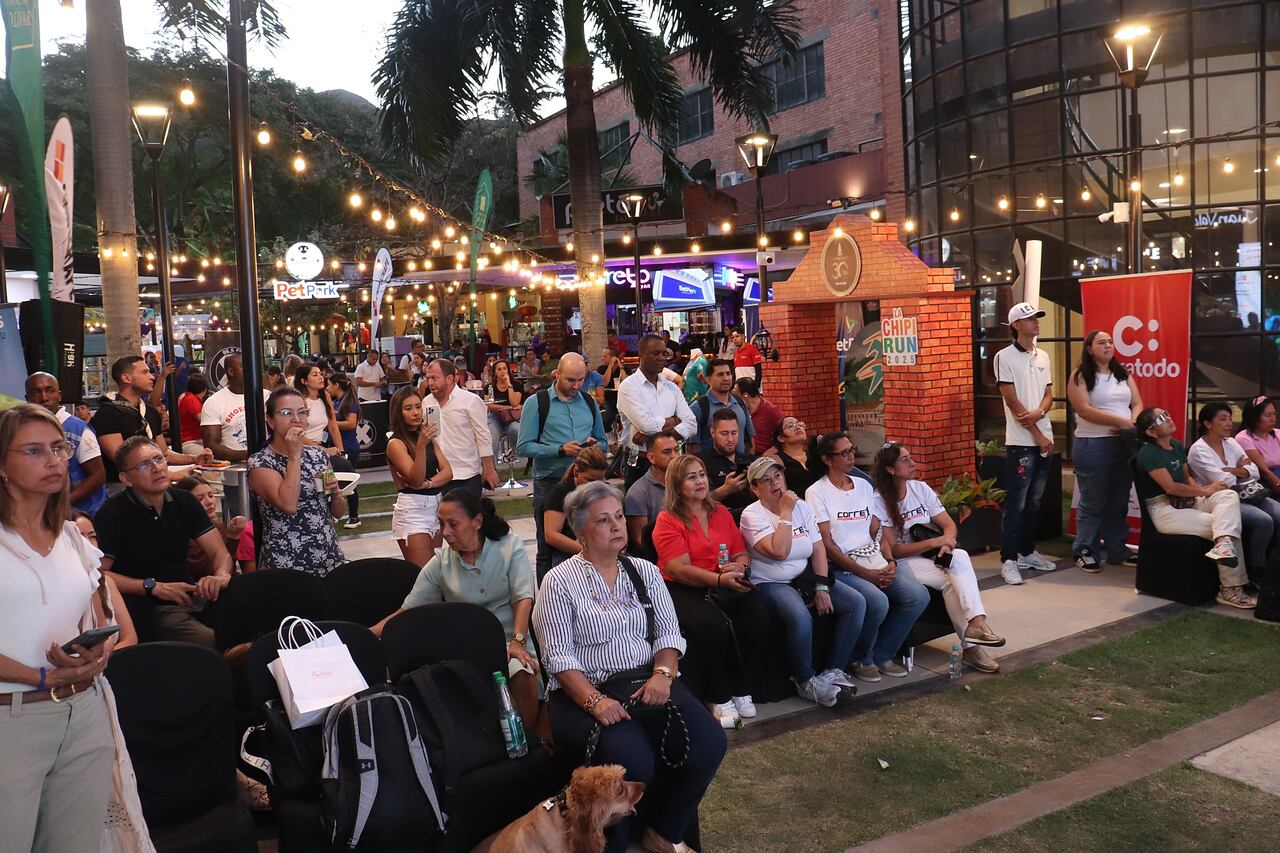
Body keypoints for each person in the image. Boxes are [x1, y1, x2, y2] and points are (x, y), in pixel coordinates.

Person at [533, 481, 724, 853]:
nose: (617, 525)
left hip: (647, 682)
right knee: (633, 761)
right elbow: (557, 657)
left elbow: (669, 635)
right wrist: (595, 702)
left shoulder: (643, 571)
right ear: (580, 531)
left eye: (619, 516)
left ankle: (664, 831)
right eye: (604, 520)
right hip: (587, 692)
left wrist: (663, 675)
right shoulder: (558, 582)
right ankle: (612, 845)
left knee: (710, 743)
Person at [0, 404, 118, 853]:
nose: (54, 461)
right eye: (34, 450)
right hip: (11, 716)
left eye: (58, 448)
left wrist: (97, 654)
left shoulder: (72, 537)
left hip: (83, 711)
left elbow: (97, 618)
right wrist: (40, 676)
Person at [373, 489, 541, 731]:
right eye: (441, 524)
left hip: (513, 640)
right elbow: (406, 612)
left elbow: (523, 597)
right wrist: (367, 634)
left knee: (521, 671)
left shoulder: (509, 547)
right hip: (468, 650)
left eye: (453, 524)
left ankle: (528, 740)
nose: (445, 533)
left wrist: (517, 641)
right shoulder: (441, 564)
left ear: (477, 522)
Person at [653, 454, 768, 729]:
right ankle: (717, 695)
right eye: (691, 477)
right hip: (680, 586)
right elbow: (679, 569)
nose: (700, 481)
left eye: (702, 474)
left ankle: (741, 685)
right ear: (677, 484)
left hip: (723, 581)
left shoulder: (721, 512)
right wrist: (719, 580)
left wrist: (740, 568)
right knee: (712, 625)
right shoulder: (667, 520)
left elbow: (741, 551)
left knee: (757, 614)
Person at [871, 443, 1006, 673]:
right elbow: (893, 550)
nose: (913, 463)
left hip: (931, 556)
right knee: (951, 580)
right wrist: (936, 542)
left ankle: (976, 627)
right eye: (905, 460)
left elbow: (949, 526)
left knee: (959, 558)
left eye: (910, 457)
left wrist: (948, 542)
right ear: (890, 469)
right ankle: (974, 642)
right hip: (903, 562)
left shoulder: (920, 489)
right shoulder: (878, 501)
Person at [739, 455, 862, 706]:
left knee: (856, 603)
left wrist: (821, 585)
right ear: (754, 488)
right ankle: (805, 680)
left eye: (778, 476)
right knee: (799, 615)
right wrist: (786, 512)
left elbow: (818, 549)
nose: (775, 483)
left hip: (804, 577)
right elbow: (779, 551)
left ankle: (833, 670)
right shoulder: (752, 516)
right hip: (769, 582)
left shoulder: (803, 507)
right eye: (766, 480)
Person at [807, 432, 930, 682]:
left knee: (918, 596)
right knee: (877, 600)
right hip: (842, 565)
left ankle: (881, 653)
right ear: (827, 460)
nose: (851, 456)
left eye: (852, 449)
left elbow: (877, 531)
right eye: (844, 453)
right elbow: (826, 544)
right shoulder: (816, 492)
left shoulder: (863, 486)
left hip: (873, 557)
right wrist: (865, 573)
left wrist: (890, 562)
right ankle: (861, 659)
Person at [95, 436, 234, 649]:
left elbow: (219, 552)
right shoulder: (113, 513)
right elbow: (99, 574)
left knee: (246, 614)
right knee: (209, 639)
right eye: (144, 465)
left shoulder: (183, 500)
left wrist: (220, 575)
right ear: (126, 478)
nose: (157, 468)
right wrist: (152, 587)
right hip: (146, 605)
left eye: (159, 459)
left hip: (189, 594)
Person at [1133, 407, 1255, 609]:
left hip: (1188, 500)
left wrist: (1200, 490)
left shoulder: (1177, 445)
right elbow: (1171, 487)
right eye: (1162, 418)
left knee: (1228, 495)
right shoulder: (1149, 454)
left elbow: (1185, 476)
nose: (1169, 418)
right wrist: (1206, 491)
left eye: (1167, 413)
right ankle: (1230, 589)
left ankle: (1223, 545)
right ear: (1151, 432)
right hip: (1165, 509)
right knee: (1225, 526)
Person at [516, 353, 608, 578]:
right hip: (550, 480)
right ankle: (548, 602)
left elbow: (603, 440)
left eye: (581, 380)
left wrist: (595, 446)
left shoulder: (588, 401)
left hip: (584, 483)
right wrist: (559, 449)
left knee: (590, 537)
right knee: (547, 548)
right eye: (570, 380)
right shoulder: (538, 402)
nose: (576, 385)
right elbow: (523, 446)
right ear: (557, 374)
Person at [248, 388, 347, 578]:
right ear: (270, 421)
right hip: (287, 562)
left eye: (302, 412)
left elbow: (337, 512)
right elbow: (288, 504)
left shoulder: (318, 455)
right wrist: (294, 456)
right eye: (286, 413)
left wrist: (336, 494)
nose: (296, 418)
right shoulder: (260, 462)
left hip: (328, 557)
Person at [1066, 330, 1143, 572]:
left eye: (1110, 341)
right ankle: (1085, 550)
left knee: (1119, 500)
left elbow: (1138, 403)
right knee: (1092, 501)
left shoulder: (1123, 375)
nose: (1108, 345)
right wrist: (1119, 422)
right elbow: (1084, 410)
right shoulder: (1080, 376)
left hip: (1123, 444)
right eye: (1102, 342)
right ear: (1089, 349)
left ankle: (1117, 549)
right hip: (1093, 444)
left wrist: (1131, 422)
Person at [994, 302, 1058, 585]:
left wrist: (1041, 414)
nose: (1035, 322)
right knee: (1016, 503)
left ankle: (1026, 551)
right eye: (1029, 319)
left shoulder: (1042, 355)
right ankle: (1008, 559)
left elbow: (1048, 393)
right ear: (1016, 325)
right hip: (1023, 443)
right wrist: (1037, 434)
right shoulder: (1004, 357)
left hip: (1044, 439)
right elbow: (1012, 400)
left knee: (1034, 502)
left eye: (1036, 318)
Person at [1188, 402, 1280, 582]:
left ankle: (1274, 566)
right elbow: (1221, 481)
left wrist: (1232, 470)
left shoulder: (1230, 442)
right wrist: (1238, 471)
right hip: (1221, 498)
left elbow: (1253, 470)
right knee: (1264, 521)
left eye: (1230, 419)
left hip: (1248, 491)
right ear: (1208, 423)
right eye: (1223, 419)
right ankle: (1257, 570)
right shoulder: (1199, 450)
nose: (1229, 423)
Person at [91, 355, 210, 486]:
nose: (152, 376)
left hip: (156, 485)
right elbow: (124, 461)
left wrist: (194, 459)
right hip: (123, 488)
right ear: (126, 378)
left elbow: (163, 453)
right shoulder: (107, 414)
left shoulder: (151, 412)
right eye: (144, 372)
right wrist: (170, 475)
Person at [617, 334, 696, 489]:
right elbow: (646, 426)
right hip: (640, 461)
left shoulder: (671, 387)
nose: (661, 358)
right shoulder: (629, 387)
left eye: (664, 353)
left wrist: (655, 435)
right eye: (655, 353)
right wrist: (675, 419)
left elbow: (692, 424)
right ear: (641, 354)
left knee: (674, 508)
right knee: (641, 510)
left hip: (670, 461)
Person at [386, 387, 453, 567]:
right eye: (408, 408)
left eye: (418, 406)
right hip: (413, 510)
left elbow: (448, 472)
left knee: (436, 572)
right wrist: (421, 446)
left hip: (436, 506)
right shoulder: (396, 443)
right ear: (398, 412)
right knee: (423, 576)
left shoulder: (425, 436)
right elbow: (415, 479)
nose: (415, 413)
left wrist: (429, 484)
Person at [25, 371, 108, 516]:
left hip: (85, 515)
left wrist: (63, 504)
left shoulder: (77, 429)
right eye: (36, 392)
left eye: (50, 391)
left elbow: (98, 475)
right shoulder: (25, 431)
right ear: (27, 398)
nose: (44, 397)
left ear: (59, 395)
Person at [424, 358, 500, 493]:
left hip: (467, 475)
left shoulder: (471, 401)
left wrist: (489, 469)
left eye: (434, 378)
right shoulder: (426, 402)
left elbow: (483, 436)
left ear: (449, 379)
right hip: (437, 476)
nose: (430, 383)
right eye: (428, 378)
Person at [542, 445, 609, 572]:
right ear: (576, 472)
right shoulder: (560, 493)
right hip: (569, 553)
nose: (595, 486)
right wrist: (588, 552)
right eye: (590, 480)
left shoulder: (606, 493)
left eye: (600, 481)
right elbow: (551, 535)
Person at [174, 474, 247, 580]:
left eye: (211, 495)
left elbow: (230, 568)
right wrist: (232, 537)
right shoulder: (184, 535)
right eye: (200, 499)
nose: (209, 502)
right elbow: (209, 573)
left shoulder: (216, 525)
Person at [624, 431, 681, 560]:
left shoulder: (685, 482)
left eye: (677, 450)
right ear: (651, 457)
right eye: (667, 452)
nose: (674, 456)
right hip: (658, 559)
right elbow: (640, 540)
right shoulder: (638, 493)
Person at [699, 408, 756, 522]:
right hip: (721, 521)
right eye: (724, 434)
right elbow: (696, 502)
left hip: (754, 519)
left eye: (734, 433)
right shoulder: (701, 463)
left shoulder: (749, 459)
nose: (730, 439)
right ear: (712, 432)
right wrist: (725, 490)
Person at [689, 358, 754, 454]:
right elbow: (692, 448)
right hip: (711, 467)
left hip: (741, 464)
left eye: (728, 374)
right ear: (708, 380)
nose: (726, 378)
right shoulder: (698, 408)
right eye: (720, 375)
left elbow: (750, 439)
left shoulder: (740, 403)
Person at [327, 373, 364, 528]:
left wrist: (331, 423)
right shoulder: (337, 402)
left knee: (348, 482)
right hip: (338, 447)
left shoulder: (349, 402)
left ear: (337, 385)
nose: (327, 388)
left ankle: (354, 516)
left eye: (329, 385)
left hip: (348, 446)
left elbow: (351, 424)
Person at [1236, 396, 1280, 491]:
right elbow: (1264, 472)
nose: (1273, 419)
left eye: (1274, 414)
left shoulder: (1277, 433)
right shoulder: (1244, 438)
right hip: (1265, 482)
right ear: (1255, 418)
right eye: (1268, 415)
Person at [484, 358, 523, 462]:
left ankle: (519, 459)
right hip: (495, 417)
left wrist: (509, 385)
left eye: (504, 369)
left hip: (512, 417)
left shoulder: (517, 385)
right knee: (491, 435)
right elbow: (490, 406)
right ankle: (492, 467)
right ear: (495, 373)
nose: (502, 371)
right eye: (499, 369)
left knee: (516, 429)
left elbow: (515, 402)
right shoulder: (489, 387)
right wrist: (509, 407)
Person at [765, 416, 819, 493]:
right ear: (781, 438)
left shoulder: (814, 455)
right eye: (790, 426)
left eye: (799, 424)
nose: (797, 427)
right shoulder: (777, 460)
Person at [734, 377, 785, 456]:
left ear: (745, 395)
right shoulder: (739, 410)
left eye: (736, 394)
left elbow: (787, 435)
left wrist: (774, 450)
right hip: (744, 456)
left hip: (766, 457)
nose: (733, 397)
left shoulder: (772, 411)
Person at [177, 373, 210, 456]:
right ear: (205, 389)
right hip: (190, 442)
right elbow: (205, 422)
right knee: (212, 457)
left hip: (196, 441)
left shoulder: (186, 397)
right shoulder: (191, 399)